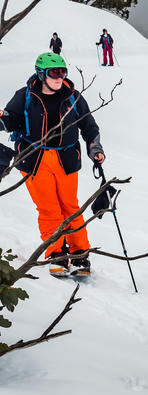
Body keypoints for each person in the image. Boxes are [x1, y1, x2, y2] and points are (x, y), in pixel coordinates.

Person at [1, 52, 104, 277]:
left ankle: (79, 254)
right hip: (34, 159)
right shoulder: (25, 95)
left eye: (62, 72)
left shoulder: (73, 96)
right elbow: (8, 120)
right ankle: (56, 254)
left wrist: (95, 148)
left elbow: (89, 125)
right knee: (48, 208)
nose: (59, 77)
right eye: (53, 73)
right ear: (41, 73)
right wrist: (2, 117)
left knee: (70, 206)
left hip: (65, 158)